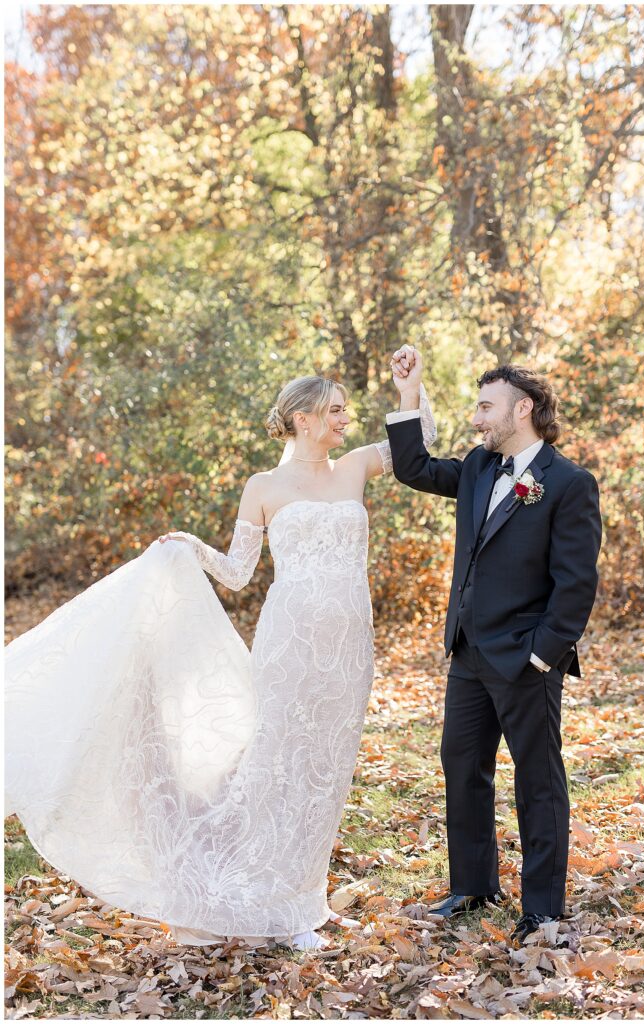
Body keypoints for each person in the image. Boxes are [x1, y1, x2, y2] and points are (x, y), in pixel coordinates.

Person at [5, 367, 437, 951]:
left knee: (325, 776)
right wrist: (190, 548)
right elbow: (237, 574)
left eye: (344, 409)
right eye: (334, 410)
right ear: (302, 419)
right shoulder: (263, 486)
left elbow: (422, 440)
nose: (344, 419)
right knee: (279, 770)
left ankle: (296, 902)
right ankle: (258, 902)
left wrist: (409, 392)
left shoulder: (357, 464)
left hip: (349, 647)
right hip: (288, 646)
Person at [386, 345, 602, 945]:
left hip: (527, 661)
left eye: (486, 406)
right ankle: (474, 885)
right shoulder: (481, 468)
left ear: (523, 408)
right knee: (463, 767)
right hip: (468, 655)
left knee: (537, 781)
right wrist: (409, 393)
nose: (477, 418)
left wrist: (541, 654)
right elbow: (415, 468)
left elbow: (577, 584)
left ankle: (542, 909)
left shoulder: (569, 484)